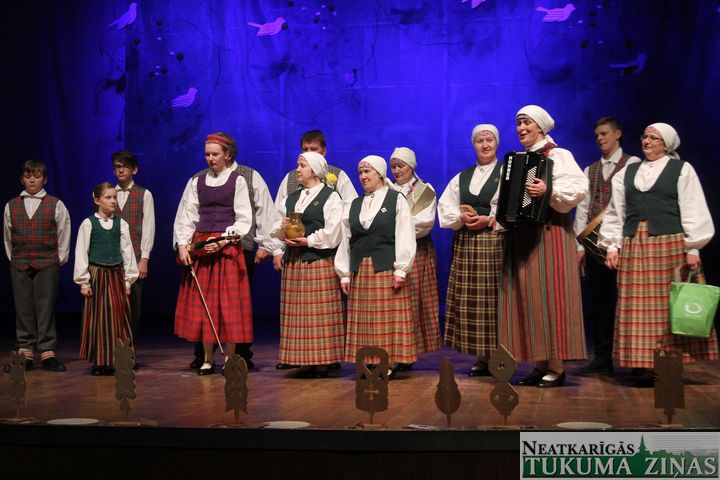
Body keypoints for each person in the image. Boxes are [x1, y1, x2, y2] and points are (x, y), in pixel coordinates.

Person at [600, 122, 718, 386]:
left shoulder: (681, 169)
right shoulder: (628, 173)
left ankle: (668, 365)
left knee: (667, 308)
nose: (647, 141)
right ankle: (643, 365)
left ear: (666, 144)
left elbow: (693, 208)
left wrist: (693, 246)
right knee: (637, 308)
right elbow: (616, 212)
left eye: (654, 138)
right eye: (645, 136)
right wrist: (612, 246)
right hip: (635, 245)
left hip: (669, 245)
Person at [493, 105, 589, 388]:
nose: (521, 128)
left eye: (527, 123)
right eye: (519, 123)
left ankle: (556, 366)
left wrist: (549, 191)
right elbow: (504, 197)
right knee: (527, 300)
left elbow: (578, 190)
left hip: (550, 234)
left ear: (540, 127)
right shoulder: (517, 160)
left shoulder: (558, 155)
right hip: (522, 236)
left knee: (551, 298)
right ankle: (539, 363)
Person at [174, 132, 277, 370]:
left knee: (231, 304)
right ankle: (206, 357)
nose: (210, 158)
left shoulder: (243, 178)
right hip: (202, 247)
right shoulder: (197, 180)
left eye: (215, 154)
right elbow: (186, 215)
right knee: (205, 302)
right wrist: (182, 244)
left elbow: (252, 215)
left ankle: (235, 356)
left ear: (227, 154)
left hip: (231, 247)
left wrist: (266, 245)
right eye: (207, 154)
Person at [335, 155, 416, 378]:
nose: (363, 176)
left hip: (385, 266)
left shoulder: (395, 199)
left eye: (367, 172)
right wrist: (344, 274)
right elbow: (346, 240)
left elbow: (405, 234)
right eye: (360, 173)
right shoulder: (354, 204)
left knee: (385, 320)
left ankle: (386, 363)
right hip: (361, 268)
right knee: (365, 320)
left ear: (380, 174)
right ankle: (368, 362)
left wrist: (401, 269)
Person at [573, 117, 639, 376]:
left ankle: (635, 359)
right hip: (595, 246)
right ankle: (603, 357)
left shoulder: (632, 164)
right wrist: (579, 247)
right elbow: (582, 209)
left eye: (604, 133)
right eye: (597, 135)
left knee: (629, 302)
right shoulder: (590, 170)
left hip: (625, 244)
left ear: (618, 134)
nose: (600, 139)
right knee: (601, 303)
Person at [270, 151, 345, 378]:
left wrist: (309, 240)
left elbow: (334, 231)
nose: (298, 170)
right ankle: (302, 359)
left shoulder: (330, 197)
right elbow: (274, 226)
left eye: (302, 165)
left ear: (315, 170)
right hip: (294, 261)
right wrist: (282, 227)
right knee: (298, 315)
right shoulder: (291, 198)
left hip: (318, 260)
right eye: (298, 165)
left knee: (320, 315)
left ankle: (324, 361)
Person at [438, 125, 503, 376]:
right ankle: (482, 357)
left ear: (497, 143)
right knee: (473, 300)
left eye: (489, 140)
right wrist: (460, 216)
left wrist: (490, 219)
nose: (485, 145)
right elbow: (445, 208)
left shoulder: (505, 173)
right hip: (467, 243)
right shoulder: (462, 177)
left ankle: (500, 358)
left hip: (495, 241)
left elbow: (511, 206)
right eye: (480, 141)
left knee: (493, 299)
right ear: (473, 145)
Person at [3, 159, 71, 373]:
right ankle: (25, 353)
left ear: (44, 179)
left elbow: (63, 233)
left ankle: (48, 353)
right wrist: (15, 259)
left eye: (37, 176)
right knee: (23, 308)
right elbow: (7, 236)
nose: (32, 180)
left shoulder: (55, 204)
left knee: (45, 308)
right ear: (22, 179)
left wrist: (58, 259)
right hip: (20, 262)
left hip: (47, 262)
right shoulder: (11, 205)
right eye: (28, 176)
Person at [74, 182, 138, 375]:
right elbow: (81, 253)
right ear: (97, 200)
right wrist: (84, 281)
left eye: (114, 197)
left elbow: (127, 252)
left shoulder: (121, 224)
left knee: (119, 317)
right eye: (108, 197)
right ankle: (101, 361)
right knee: (99, 319)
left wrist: (128, 280)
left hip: (116, 274)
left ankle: (120, 359)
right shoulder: (88, 224)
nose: (112, 201)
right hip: (98, 275)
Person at [389, 147, 440, 371]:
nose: (397, 170)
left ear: (411, 166)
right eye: (393, 166)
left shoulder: (424, 191)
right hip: (392, 251)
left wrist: (399, 226)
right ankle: (393, 349)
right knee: (394, 301)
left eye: (401, 166)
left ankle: (408, 352)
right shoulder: (386, 189)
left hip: (417, 250)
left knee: (414, 301)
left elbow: (424, 223)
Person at [111, 150, 155, 344]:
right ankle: (112, 346)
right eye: (117, 167)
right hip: (111, 257)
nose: (121, 170)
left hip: (135, 257)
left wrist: (144, 258)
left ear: (134, 170)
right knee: (112, 303)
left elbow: (148, 227)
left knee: (133, 306)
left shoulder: (144, 194)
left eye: (125, 167)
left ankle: (129, 348)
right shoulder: (107, 194)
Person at [275, 130, 358, 211]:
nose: (308, 153)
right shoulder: (290, 177)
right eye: (305, 149)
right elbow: (277, 211)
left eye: (313, 149)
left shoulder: (338, 174)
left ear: (324, 151)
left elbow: (352, 207)